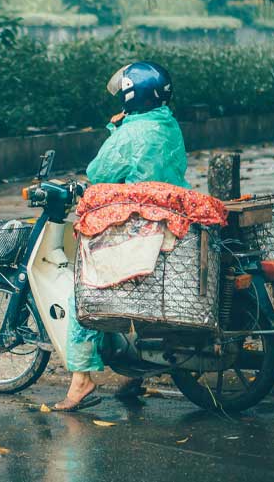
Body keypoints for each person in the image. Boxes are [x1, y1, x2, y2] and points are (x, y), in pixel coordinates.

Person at [54, 61, 191, 411]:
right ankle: (136, 372)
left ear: (131, 96)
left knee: (85, 294)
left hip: (138, 227)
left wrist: (118, 132)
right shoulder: (169, 125)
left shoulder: (130, 133)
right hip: (172, 223)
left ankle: (81, 379)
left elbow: (99, 173)